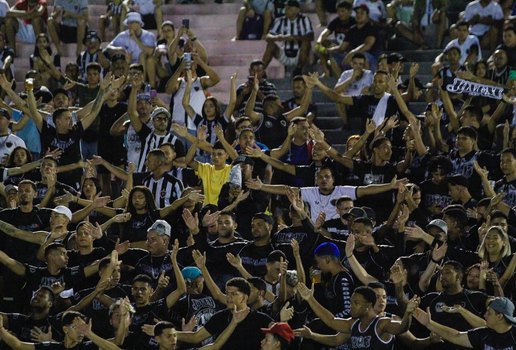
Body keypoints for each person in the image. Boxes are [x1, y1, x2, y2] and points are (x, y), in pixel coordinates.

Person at [414, 297, 516, 349]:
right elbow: (455, 336)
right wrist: (430, 324)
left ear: (500, 316)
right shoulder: (484, 334)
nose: (484, 315)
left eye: (489, 313)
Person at [262, 0, 314, 76]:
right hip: (285, 54)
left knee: (306, 43)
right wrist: (279, 37)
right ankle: (261, 71)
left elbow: (311, 36)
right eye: (285, 8)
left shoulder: (304, 19)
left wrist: (295, 37)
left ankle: (298, 70)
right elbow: (267, 37)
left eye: (289, 8)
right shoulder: (280, 20)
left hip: (300, 55)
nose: (286, 10)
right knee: (270, 45)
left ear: (297, 10)